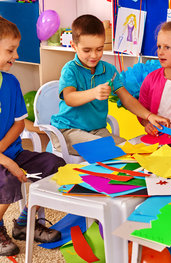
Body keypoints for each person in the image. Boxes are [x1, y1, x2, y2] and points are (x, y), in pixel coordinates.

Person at [51, 15, 169, 155]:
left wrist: (149, 116)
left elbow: (127, 99)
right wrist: (94, 93)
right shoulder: (70, 69)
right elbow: (69, 98)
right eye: (87, 50)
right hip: (68, 131)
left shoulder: (109, 70)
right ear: (74, 46)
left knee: (128, 148)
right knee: (105, 148)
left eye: (99, 49)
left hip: (97, 131)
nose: (94, 55)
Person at [0, 17, 66, 256]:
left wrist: (8, 155)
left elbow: (19, 125)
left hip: (13, 152)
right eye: (10, 50)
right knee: (8, 179)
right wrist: (7, 162)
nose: (15, 55)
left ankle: (23, 222)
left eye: (15, 50)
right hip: (5, 160)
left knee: (56, 165)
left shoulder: (11, 82)